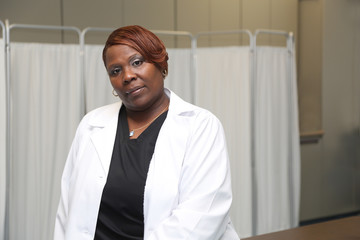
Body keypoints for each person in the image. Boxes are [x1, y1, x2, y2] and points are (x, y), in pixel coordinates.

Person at [54, 25, 240, 240]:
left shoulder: (201, 126)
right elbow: (67, 210)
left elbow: (200, 217)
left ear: (161, 64)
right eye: (115, 71)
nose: (127, 76)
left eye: (137, 62)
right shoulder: (92, 125)